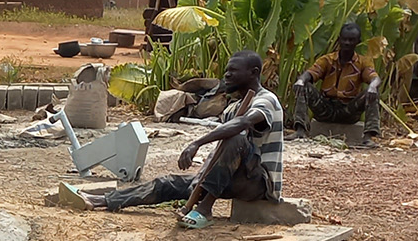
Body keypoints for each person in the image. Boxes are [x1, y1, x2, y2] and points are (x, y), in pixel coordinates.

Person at [100, 49, 284, 229]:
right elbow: (219, 152)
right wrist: (202, 177)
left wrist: (197, 143)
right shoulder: (233, 107)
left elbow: (242, 124)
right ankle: (107, 200)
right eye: (227, 70)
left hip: (259, 183)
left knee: (235, 137)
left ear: (254, 73)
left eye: (233, 71)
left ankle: (204, 210)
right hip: (231, 177)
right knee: (168, 183)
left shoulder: (267, 100)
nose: (226, 75)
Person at [292, 20, 382, 139]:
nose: (347, 43)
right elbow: (310, 73)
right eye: (344, 39)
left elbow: (374, 78)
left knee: (373, 93)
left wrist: (372, 86)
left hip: (349, 110)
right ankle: (300, 130)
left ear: (358, 42)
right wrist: (301, 81)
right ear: (339, 39)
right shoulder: (327, 60)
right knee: (304, 86)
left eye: (351, 40)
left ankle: (368, 137)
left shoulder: (363, 62)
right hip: (325, 108)